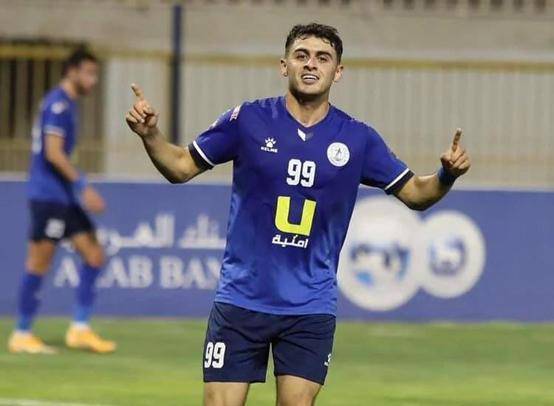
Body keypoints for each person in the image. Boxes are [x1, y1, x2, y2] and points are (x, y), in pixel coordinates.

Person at [126, 23, 470, 406]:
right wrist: (151, 136)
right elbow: (180, 166)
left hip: (310, 305)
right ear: (284, 65)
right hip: (242, 297)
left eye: (323, 58)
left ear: (338, 72)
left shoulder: (358, 139)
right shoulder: (248, 120)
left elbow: (416, 194)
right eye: (301, 56)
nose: (311, 64)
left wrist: (446, 175)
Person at [8, 48, 116, 354]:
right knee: (39, 262)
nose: (93, 80)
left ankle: (80, 329)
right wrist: (83, 186)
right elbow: (53, 153)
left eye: (96, 74)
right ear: (71, 71)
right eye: (89, 73)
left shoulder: (67, 104)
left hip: (63, 198)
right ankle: (21, 333)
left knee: (94, 255)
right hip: (49, 197)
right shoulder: (57, 104)